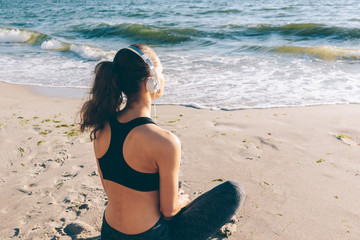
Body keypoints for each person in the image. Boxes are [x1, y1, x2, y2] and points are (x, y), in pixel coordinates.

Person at [79, 44, 245, 240]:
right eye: (162, 73)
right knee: (234, 191)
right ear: (152, 82)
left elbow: (112, 190)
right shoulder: (164, 141)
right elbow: (169, 212)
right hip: (150, 236)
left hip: (109, 232)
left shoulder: (101, 125)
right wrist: (181, 201)